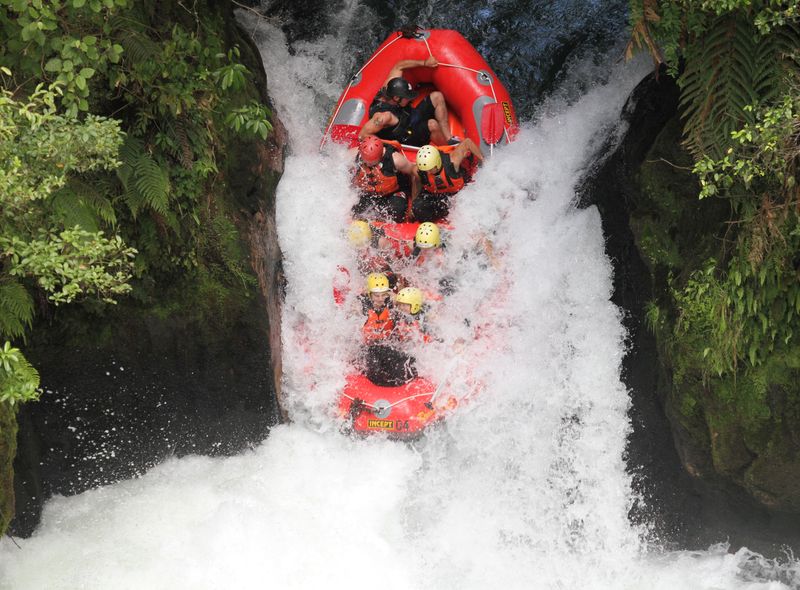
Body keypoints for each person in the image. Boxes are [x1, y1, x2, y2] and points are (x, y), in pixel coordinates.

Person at [358, 57, 451, 147]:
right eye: (407, 97)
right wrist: (388, 144)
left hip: (408, 116)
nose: (410, 99)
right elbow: (362, 135)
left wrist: (424, 63)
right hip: (406, 136)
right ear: (396, 98)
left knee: (437, 96)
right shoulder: (384, 116)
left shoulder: (390, 86)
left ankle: (449, 139)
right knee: (432, 124)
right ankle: (448, 150)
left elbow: (399, 65)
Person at [412, 140, 484, 222]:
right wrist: (414, 200)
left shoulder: (453, 161)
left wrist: (484, 160)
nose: (427, 172)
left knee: (467, 207)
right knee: (417, 207)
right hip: (440, 197)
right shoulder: (419, 170)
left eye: (430, 169)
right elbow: (416, 181)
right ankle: (438, 221)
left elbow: (467, 142)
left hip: (460, 194)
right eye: (425, 170)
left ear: (437, 163)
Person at [351, 135, 417, 223]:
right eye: (366, 162)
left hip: (393, 192)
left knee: (397, 210)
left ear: (380, 155)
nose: (369, 165)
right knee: (354, 210)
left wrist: (414, 203)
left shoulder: (396, 160)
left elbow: (414, 173)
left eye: (372, 163)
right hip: (370, 193)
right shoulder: (353, 155)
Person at [361, 272, 395, 342]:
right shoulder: (361, 305)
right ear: (370, 295)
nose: (380, 299)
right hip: (366, 347)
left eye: (383, 295)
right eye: (376, 295)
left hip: (389, 345)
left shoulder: (392, 304)